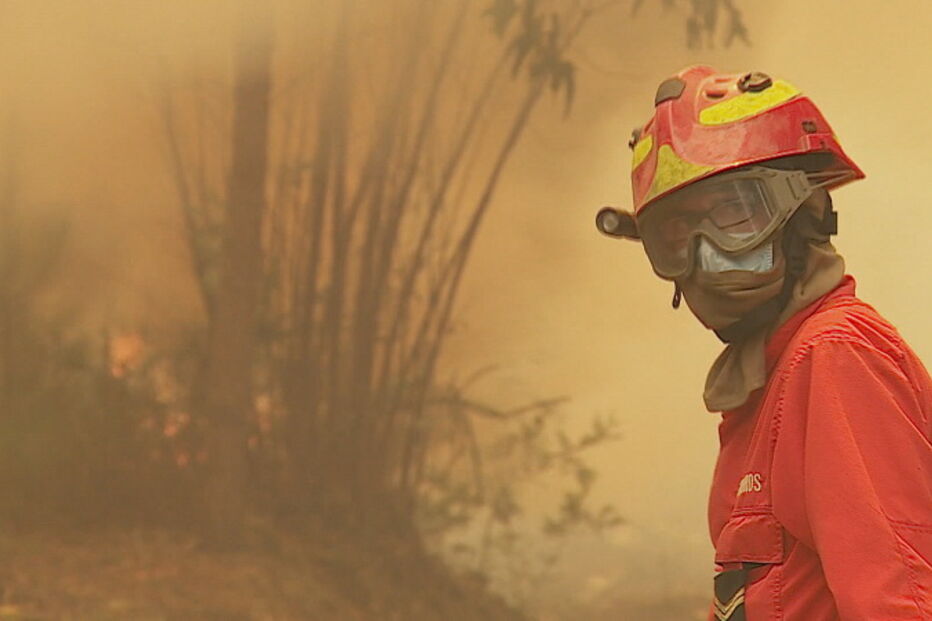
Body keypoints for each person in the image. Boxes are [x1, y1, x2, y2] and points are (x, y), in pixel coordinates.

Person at [596, 65, 932, 620]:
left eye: (734, 214)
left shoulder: (833, 358)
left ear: (804, 214)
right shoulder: (766, 387)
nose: (706, 252)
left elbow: (901, 604)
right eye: (677, 234)